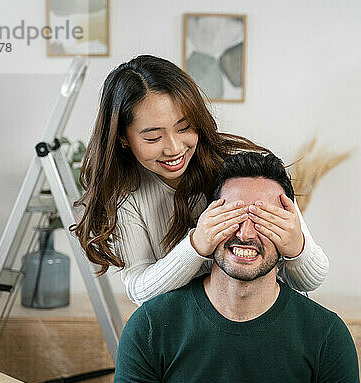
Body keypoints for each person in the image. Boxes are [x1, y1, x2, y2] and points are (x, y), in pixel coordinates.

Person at [72, 55, 329, 304]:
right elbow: (140, 292)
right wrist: (197, 244)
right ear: (122, 138)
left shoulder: (241, 169)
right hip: (190, 327)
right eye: (152, 138)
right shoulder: (126, 196)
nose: (173, 148)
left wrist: (296, 247)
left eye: (184, 128)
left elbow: (312, 278)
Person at [111, 152, 361, 383]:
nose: (246, 233)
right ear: (208, 221)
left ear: (289, 231)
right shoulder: (148, 329)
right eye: (233, 215)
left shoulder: (328, 337)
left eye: (264, 220)